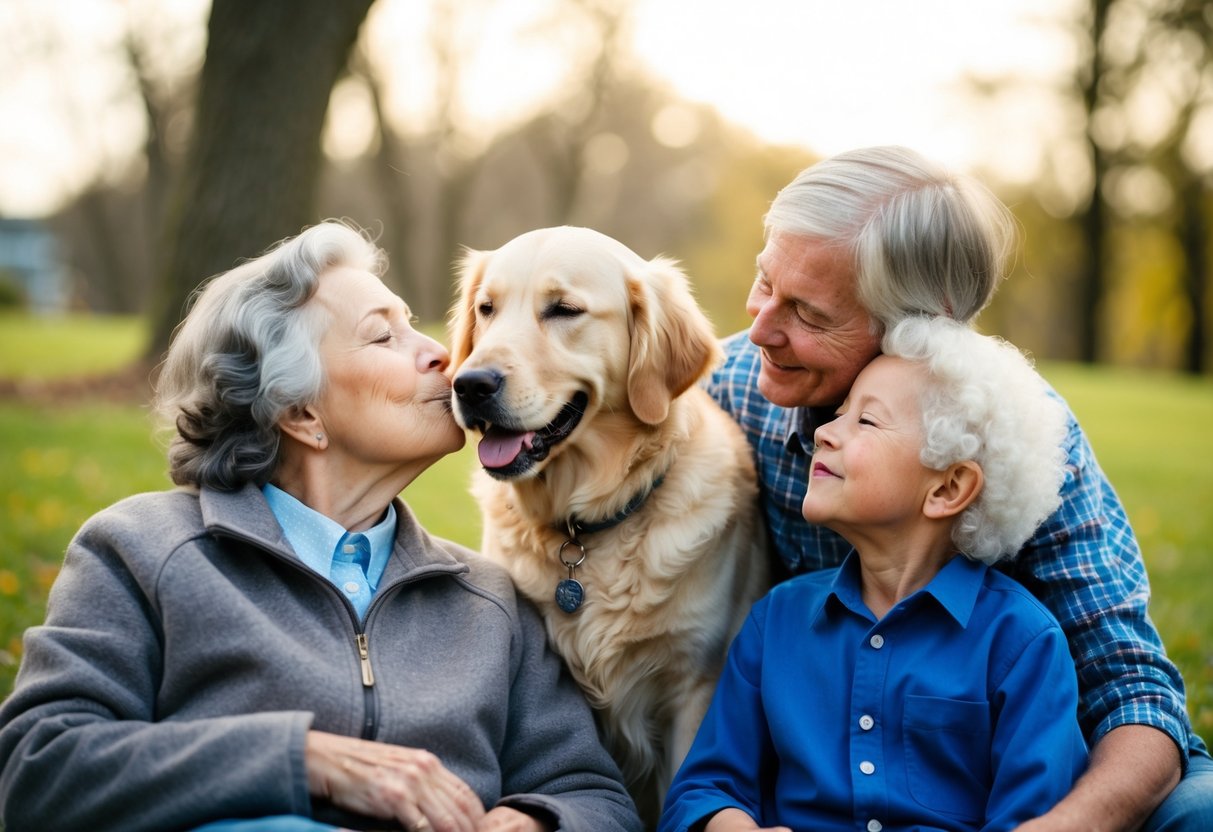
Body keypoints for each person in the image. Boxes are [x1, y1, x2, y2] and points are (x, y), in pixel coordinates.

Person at [0, 221, 642, 832]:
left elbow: (595, 797)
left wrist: (531, 820)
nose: (446, 356)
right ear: (299, 410)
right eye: (384, 336)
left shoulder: (488, 596)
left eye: (413, 325)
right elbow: (37, 767)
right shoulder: (143, 549)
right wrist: (303, 763)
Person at [707, 145, 1212, 831]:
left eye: (809, 314)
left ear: (916, 332)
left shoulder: (1020, 443)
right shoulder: (728, 392)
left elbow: (1130, 690)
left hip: (1003, 767)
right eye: (765, 282)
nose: (760, 327)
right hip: (819, 768)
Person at [661, 315, 1089, 832]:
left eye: (865, 421)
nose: (823, 432)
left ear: (948, 488)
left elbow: (1030, 820)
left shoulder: (1022, 644)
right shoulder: (776, 621)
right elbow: (702, 789)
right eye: (838, 414)